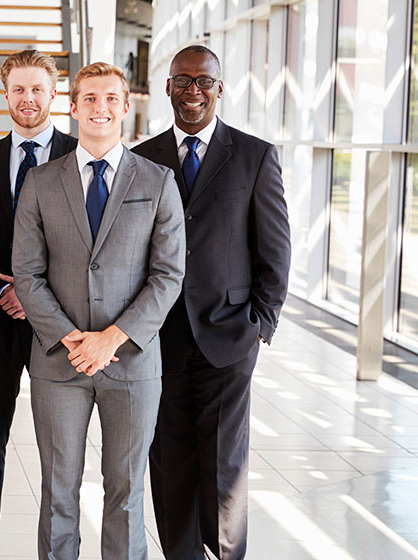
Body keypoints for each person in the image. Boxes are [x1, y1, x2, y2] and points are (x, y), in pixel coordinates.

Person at [11, 62, 185, 560]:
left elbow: (168, 275)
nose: (100, 108)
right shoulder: (41, 182)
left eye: (111, 99)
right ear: (73, 106)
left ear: (126, 108)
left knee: (126, 492)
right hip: (57, 363)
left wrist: (112, 338)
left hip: (131, 362)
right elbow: (27, 273)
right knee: (58, 491)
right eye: (89, 98)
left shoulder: (158, 181)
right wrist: (70, 338)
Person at [131, 45, 291, 560]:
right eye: (183, 80)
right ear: (169, 88)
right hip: (161, 339)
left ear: (220, 89)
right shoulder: (142, 158)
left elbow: (275, 248)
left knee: (225, 465)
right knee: (170, 461)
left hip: (230, 336)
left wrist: (261, 324)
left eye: (204, 82)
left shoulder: (254, 155)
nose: (193, 90)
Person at [0, 49, 77, 560]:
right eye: (18, 89)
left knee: (61, 445)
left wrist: (35, 297)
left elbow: (84, 243)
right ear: (5, 95)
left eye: (37, 89)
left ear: (54, 95)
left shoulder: (79, 155)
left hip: (59, 320)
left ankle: (57, 547)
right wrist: (1, 290)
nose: (28, 98)